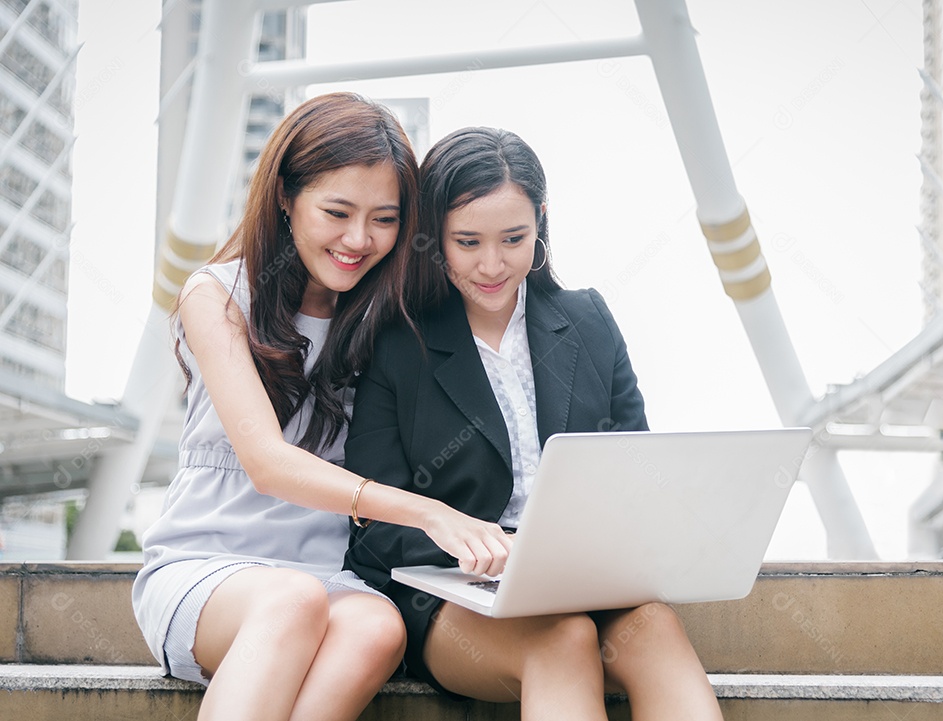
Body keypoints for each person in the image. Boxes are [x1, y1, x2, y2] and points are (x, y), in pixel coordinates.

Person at [132, 94, 511, 721]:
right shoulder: (219, 295)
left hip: (325, 572)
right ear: (285, 196)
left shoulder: (386, 318)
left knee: (378, 629)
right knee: (291, 601)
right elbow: (268, 464)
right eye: (337, 211)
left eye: (384, 219)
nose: (358, 239)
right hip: (208, 567)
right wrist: (429, 513)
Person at [343, 127, 724, 720]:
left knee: (655, 627)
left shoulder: (588, 320)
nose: (491, 265)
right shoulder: (398, 342)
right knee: (562, 637)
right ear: (433, 237)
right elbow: (372, 521)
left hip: (582, 579)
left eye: (514, 239)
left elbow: (636, 471)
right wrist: (479, 548)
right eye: (466, 242)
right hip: (447, 594)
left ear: (540, 223)